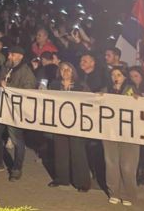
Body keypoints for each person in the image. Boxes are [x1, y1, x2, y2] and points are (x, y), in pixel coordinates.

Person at [0, 26, 37, 181]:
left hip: (14, 111)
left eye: (12, 54)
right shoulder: (5, 63)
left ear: (20, 57)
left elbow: (29, 90)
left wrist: (8, 88)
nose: (8, 55)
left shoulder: (26, 71)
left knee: (17, 140)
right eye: (9, 53)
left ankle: (16, 168)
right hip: (0, 107)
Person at [48, 61, 92, 191]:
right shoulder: (54, 85)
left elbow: (90, 101)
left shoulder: (81, 85)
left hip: (76, 123)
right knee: (60, 150)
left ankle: (82, 183)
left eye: (68, 69)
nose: (65, 72)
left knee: (78, 152)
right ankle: (62, 178)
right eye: (62, 70)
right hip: (59, 122)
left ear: (73, 71)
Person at [102, 66, 141, 206]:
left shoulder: (132, 89)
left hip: (129, 132)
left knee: (127, 165)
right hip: (110, 130)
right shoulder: (106, 90)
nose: (115, 77)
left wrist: (138, 100)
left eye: (118, 74)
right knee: (111, 162)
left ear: (125, 76)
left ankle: (128, 194)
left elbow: (141, 106)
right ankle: (114, 192)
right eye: (113, 74)